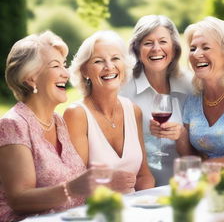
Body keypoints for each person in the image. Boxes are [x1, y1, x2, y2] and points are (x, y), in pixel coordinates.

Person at [0, 31, 101, 222]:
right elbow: (19, 200)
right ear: (31, 78)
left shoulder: (58, 122)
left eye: (64, 65)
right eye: (56, 66)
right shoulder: (13, 125)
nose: (66, 73)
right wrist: (71, 189)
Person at [63, 30, 155, 193]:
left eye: (115, 59)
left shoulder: (133, 111)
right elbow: (74, 184)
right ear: (84, 71)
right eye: (99, 61)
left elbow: (143, 175)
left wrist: (144, 205)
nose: (109, 66)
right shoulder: (76, 114)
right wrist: (106, 184)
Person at [176, 16, 224, 175]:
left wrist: (209, 166)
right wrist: (179, 134)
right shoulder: (193, 100)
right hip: (210, 187)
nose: (196, 54)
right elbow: (190, 157)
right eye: (193, 48)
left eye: (205, 47)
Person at [120, 15, 193, 186]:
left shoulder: (191, 85)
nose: (156, 49)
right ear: (137, 50)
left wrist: (181, 135)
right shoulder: (123, 89)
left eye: (163, 41)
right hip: (142, 191)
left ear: (174, 48)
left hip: (185, 187)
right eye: (148, 43)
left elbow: (201, 150)